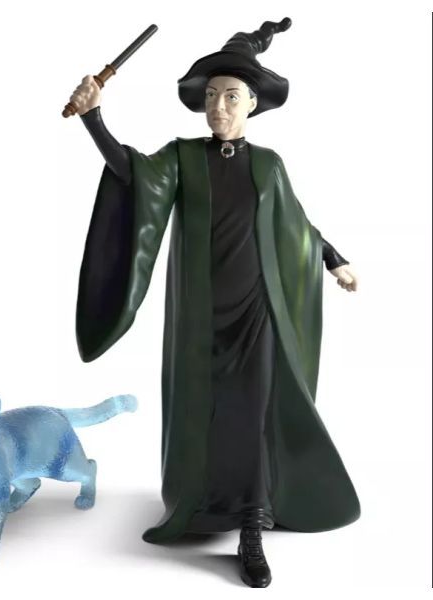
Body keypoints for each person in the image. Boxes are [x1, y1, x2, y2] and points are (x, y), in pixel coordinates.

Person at [68, 18, 360, 588]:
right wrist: (94, 118)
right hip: (201, 317)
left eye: (230, 96)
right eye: (210, 96)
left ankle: (253, 522)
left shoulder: (268, 165)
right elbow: (132, 174)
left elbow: (296, 226)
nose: (218, 107)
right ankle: (204, 500)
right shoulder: (183, 158)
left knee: (253, 411)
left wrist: (332, 258)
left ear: (252, 103)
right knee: (206, 411)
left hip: (257, 311)